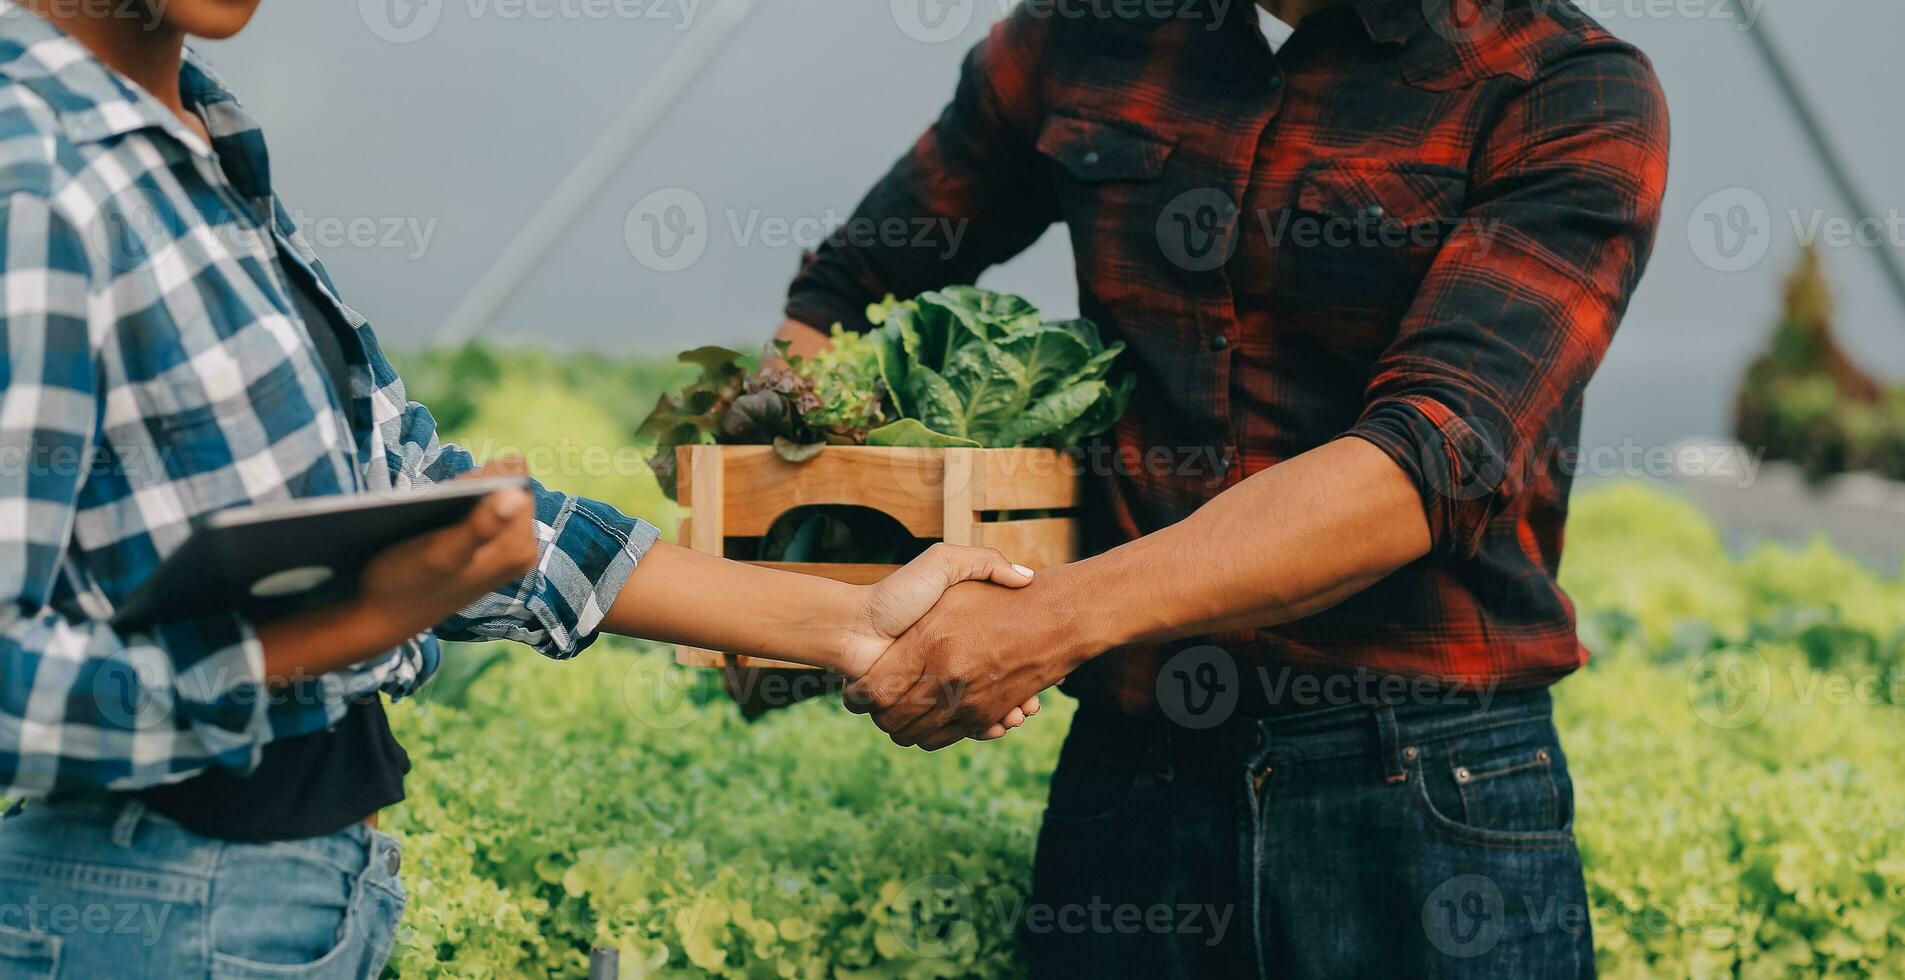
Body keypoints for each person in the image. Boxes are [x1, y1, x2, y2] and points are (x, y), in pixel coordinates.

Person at [0, 1, 1040, 975]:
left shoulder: (195, 136)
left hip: (285, 900)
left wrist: (852, 618)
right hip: (152, 910)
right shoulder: (31, 170)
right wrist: (346, 620)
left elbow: (401, 475)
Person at [777, 0, 1668, 975]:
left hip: (1424, 790)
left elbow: (1420, 466)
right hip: (1134, 784)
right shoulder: (1086, 32)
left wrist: (1047, 620)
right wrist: (800, 537)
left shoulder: (1559, 83)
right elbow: (842, 295)